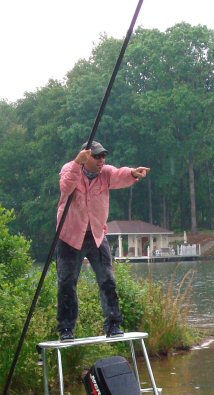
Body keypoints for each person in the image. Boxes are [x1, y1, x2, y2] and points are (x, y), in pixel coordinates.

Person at [56, 141, 150, 340]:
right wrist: (76, 163)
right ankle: (66, 329)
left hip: (97, 235)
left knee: (108, 280)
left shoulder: (105, 173)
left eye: (103, 156)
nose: (101, 160)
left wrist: (133, 173)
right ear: (86, 156)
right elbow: (66, 187)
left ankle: (114, 325)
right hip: (70, 236)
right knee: (66, 283)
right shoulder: (70, 168)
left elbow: (119, 175)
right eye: (96, 156)